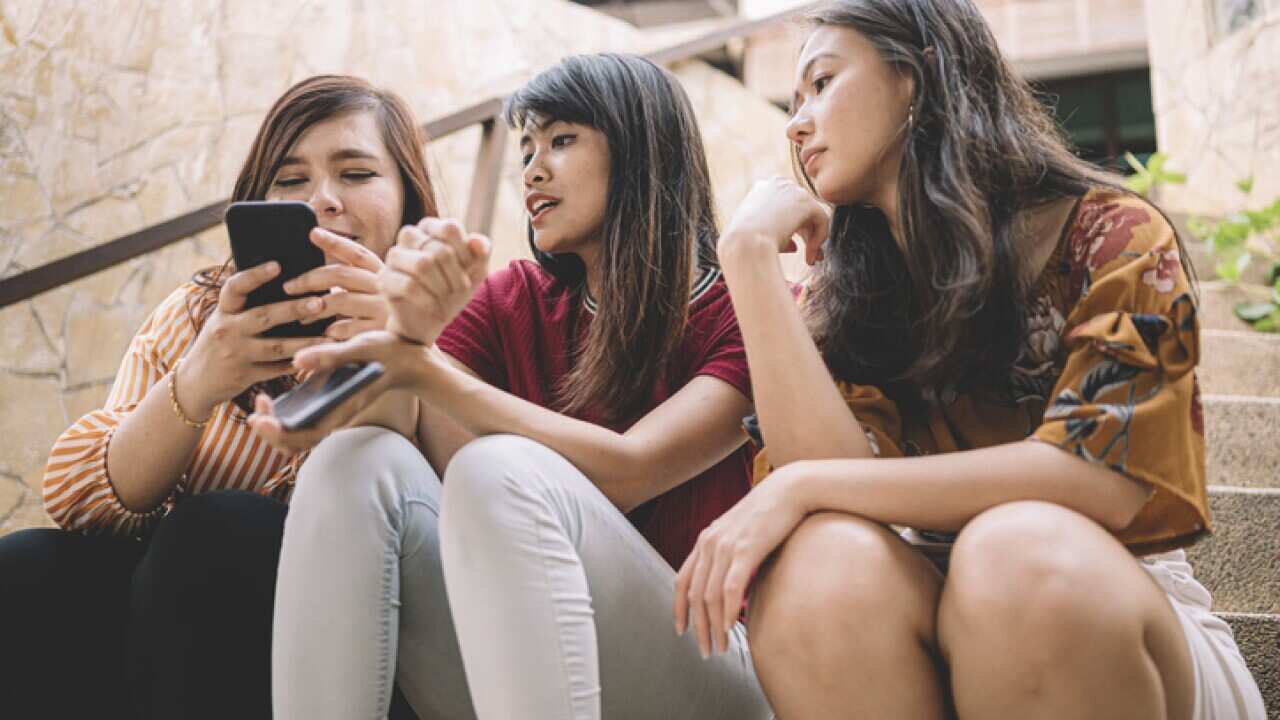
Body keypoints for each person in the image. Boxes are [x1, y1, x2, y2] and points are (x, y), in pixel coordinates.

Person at [673, 1, 1267, 718]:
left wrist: (794, 488)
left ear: (915, 76)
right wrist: (746, 260)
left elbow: (1098, 481)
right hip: (927, 627)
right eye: (792, 101)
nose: (795, 124)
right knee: (816, 567)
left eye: (822, 84)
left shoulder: (1112, 234)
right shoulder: (852, 304)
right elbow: (830, 480)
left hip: (1115, 621)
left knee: (1013, 552)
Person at [253, 54, 773, 720]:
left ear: (644, 150)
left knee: (501, 467)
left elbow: (633, 471)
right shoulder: (513, 300)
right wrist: (403, 337)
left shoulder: (743, 307)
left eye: (561, 140)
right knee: (353, 463)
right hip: (530, 665)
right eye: (526, 147)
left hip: (703, 668)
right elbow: (410, 428)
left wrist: (422, 363)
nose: (532, 169)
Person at [0, 74, 434, 719]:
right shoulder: (203, 313)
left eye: (356, 173)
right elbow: (78, 505)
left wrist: (393, 340)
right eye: (290, 182)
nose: (323, 200)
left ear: (407, 200)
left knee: (221, 530)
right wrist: (200, 378)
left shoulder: (452, 321)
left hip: (366, 637)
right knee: (28, 566)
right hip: (177, 608)